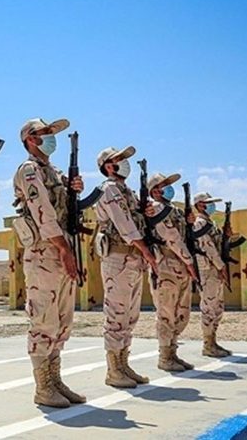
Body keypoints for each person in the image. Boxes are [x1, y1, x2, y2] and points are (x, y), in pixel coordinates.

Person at [12, 118, 86, 408]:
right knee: (44, 320)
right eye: (46, 133)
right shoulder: (28, 170)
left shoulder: (54, 173)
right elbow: (42, 211)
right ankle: (43, 387)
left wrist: (75, 190)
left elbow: (66, 208)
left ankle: (55, 380)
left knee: (62, 320)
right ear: (30, 139)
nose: (51, 137)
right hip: (45, 251)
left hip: (63, 247)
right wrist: (64, 250)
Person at [93, 147, 159, 387]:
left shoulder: (126, 191)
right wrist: (147, 253)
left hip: (132, 259)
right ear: (108, 166)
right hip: (118, 258)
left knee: (130, 315)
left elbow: (136, 221)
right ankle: (113, 370)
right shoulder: (109, 188)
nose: (124, 162)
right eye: (118, 159)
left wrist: (146, 211)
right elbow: (125, 225)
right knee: (117, 314)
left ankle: (123, 364)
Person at [145, 173, 199, 371]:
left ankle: (173, 353)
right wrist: (189, 262)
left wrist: (190, 222)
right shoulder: (156, 208)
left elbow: (185, 236)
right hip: (166, 265)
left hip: (180, 265)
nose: (168, 187)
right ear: (154, 191)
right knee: (166, 312)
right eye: (164, 185)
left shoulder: (173, 209)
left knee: (181, 312)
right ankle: (165, 357)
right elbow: (171, 237)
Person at [193, 192, 233, 357]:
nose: (211, 206)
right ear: (199, 205)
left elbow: (218, 245)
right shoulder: (199, 224)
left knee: (217, 307)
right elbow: (208, 247)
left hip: (215, 268)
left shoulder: (210, 223)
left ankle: (213, 341)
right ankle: (208, 344)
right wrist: (221, 266)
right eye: (208, 203)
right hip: (207, 269)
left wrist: (227, 236)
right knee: (209, 307)